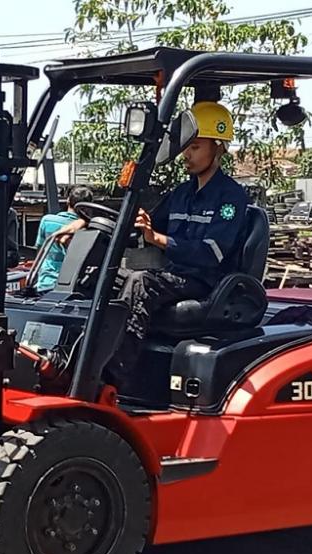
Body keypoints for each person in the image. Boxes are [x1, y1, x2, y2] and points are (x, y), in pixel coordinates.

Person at [105, 101, 249, 380]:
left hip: (205, 282)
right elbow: (148, 225)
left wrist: (158, 239)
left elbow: (211, 254)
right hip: (174, 278)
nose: (186, 154)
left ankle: (115, 375)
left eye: (195, 147)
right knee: (103, 277)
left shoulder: (230, 198)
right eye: (186, 147)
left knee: (141, 283)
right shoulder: (181, 193)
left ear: (217, 148)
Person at [32, 185, 94, 292]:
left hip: (46, 282)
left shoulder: (47, 221)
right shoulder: (90, 228)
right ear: (89, 206)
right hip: (74, 286)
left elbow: (40, 251)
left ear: (68, 201)